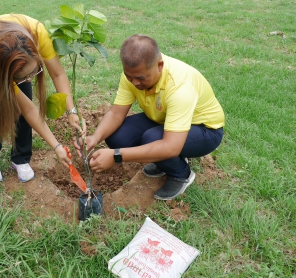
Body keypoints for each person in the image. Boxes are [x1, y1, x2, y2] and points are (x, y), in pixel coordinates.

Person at [77, 34, 225, 200]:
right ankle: (163, 162)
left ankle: (181, 174)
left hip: (204, 130)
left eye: (140, 78)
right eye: (129, 76)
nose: (134, 83)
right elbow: (116, 113)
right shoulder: (135, 74)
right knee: (117, 136)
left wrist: (116, 155)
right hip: (163, 119)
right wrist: (95, 138)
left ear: (160, 65)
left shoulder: (179, 87)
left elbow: (171, 147)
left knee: (152, 139)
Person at [0, 14, 84, 183]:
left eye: (35, 71)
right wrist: (56, 146)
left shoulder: (39, 34)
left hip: (12, 55)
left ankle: (20, 158)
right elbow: (30, 109)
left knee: (23, 112)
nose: (31, 80)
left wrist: (71, 111)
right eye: (22, 78)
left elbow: (58, 73)